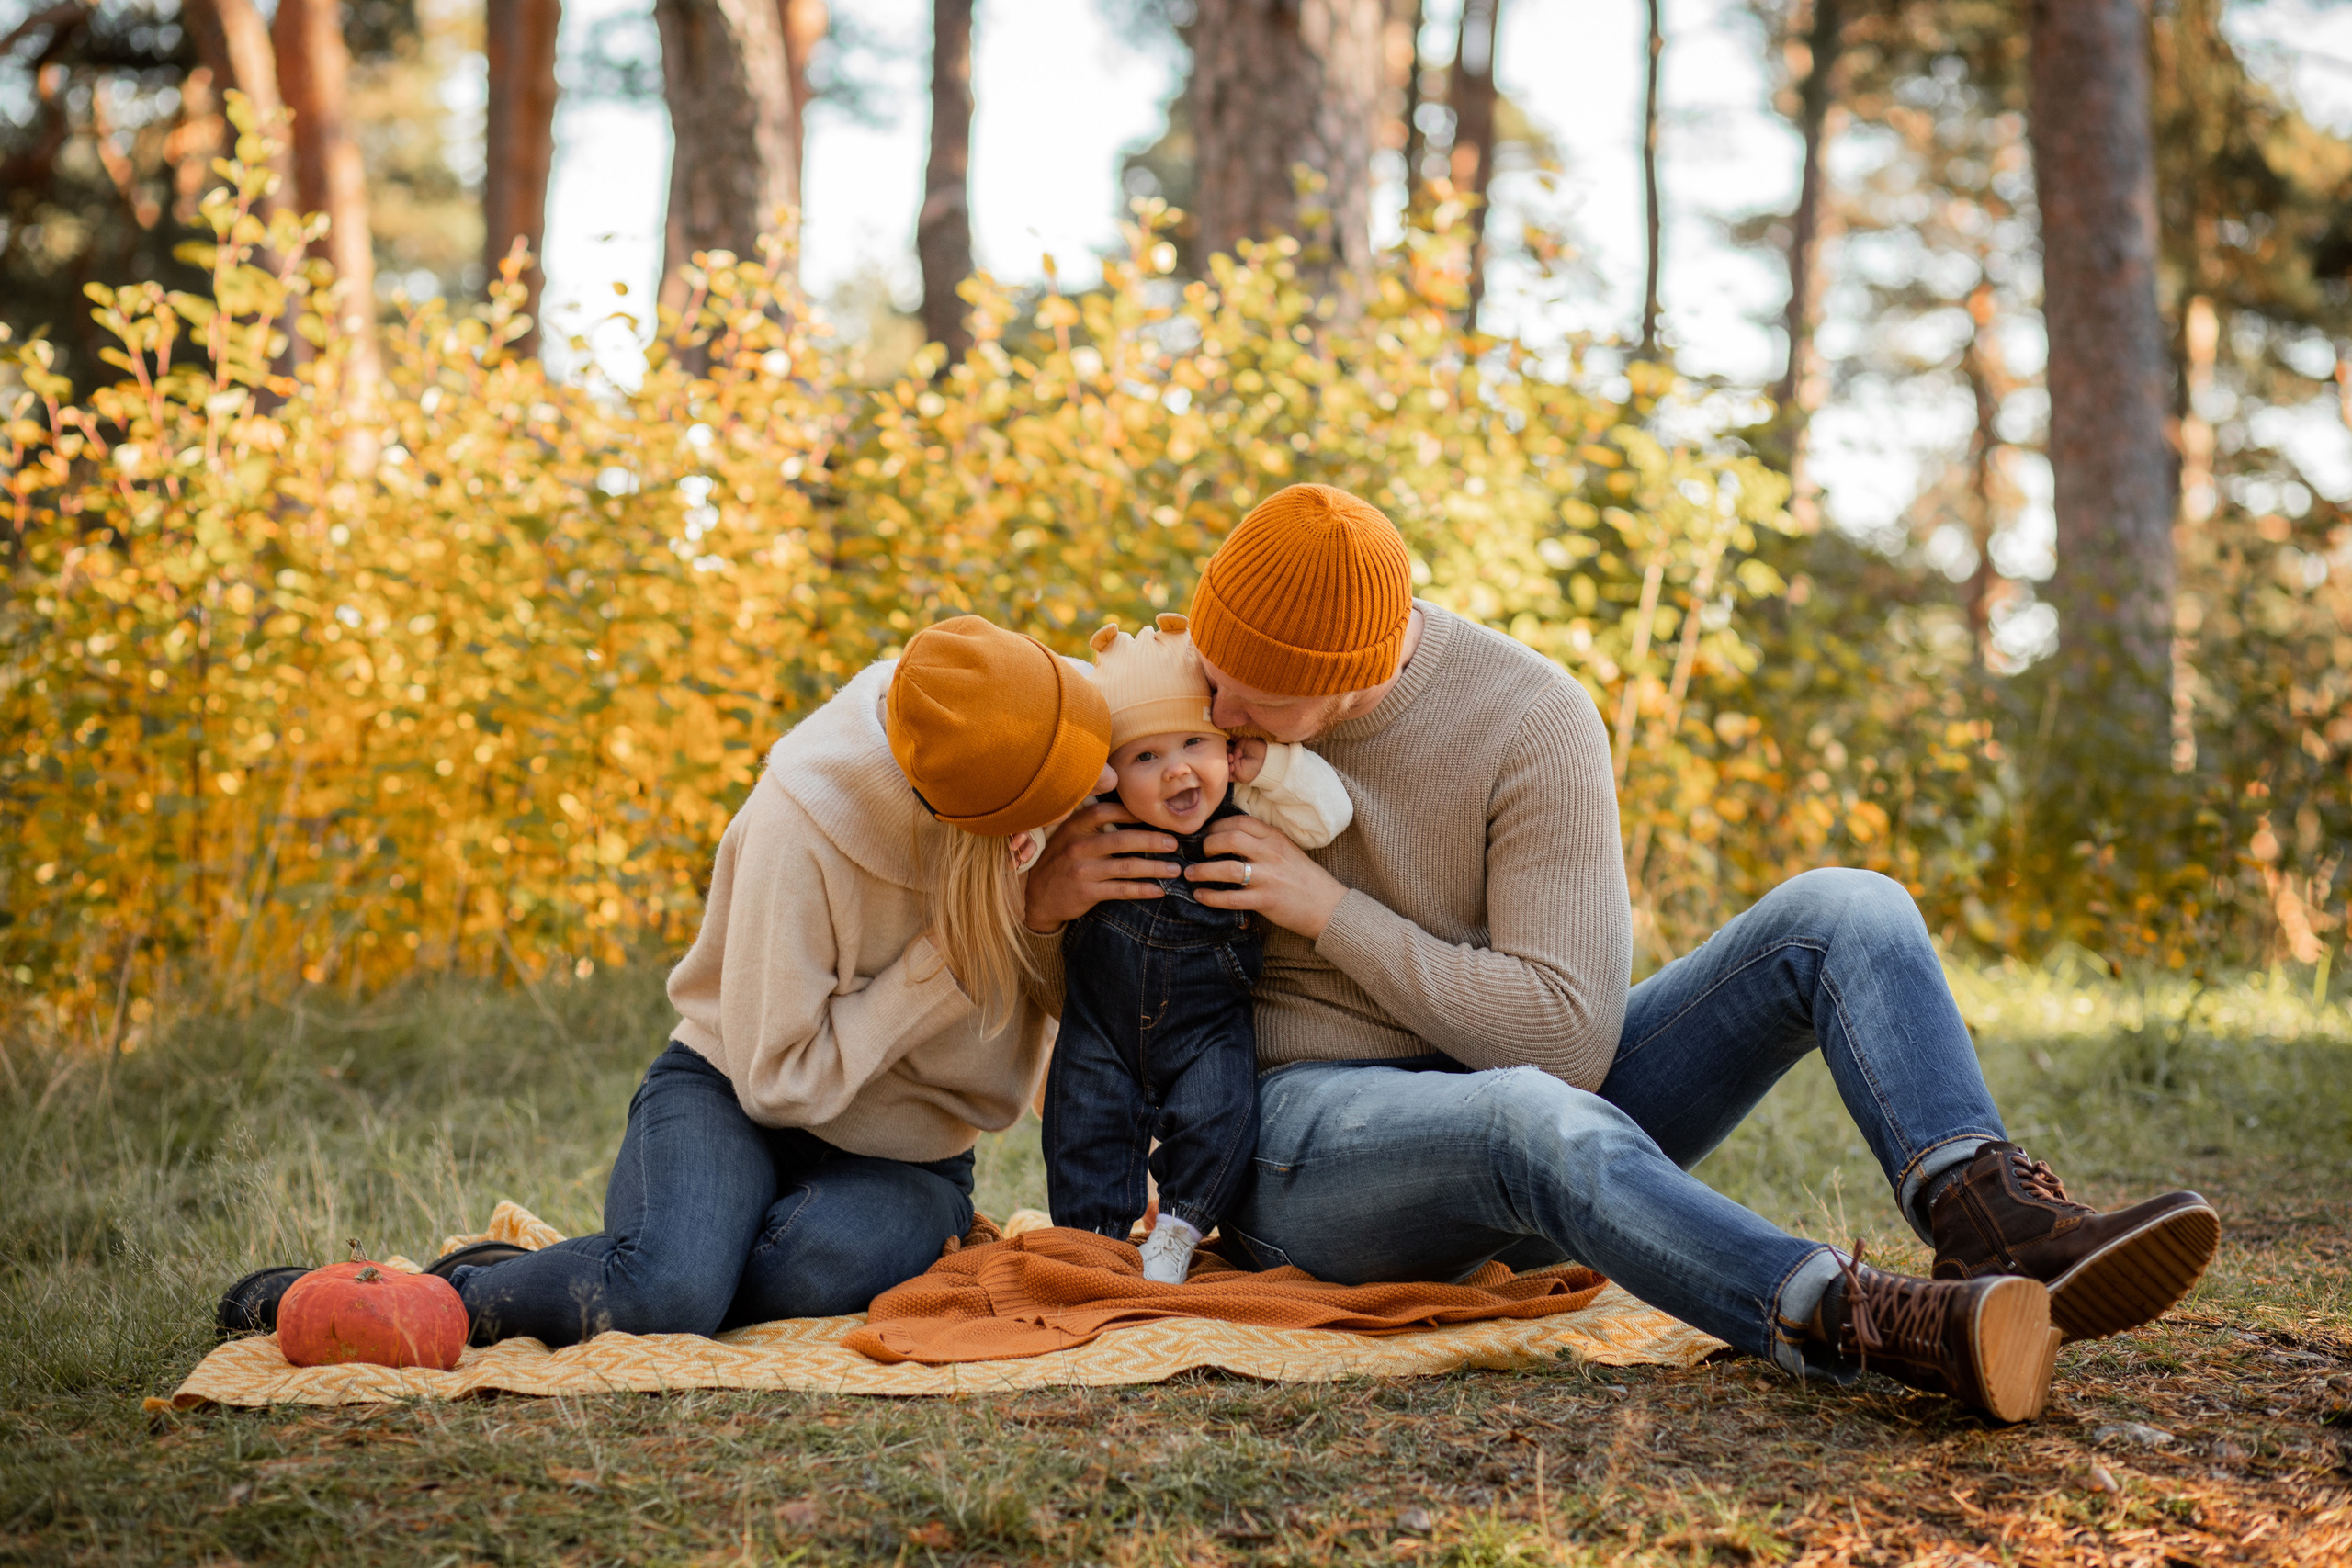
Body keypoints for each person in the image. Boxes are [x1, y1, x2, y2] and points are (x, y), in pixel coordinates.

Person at [1023, 482, 2220, 1423]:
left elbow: (1565, 1035)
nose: (1215, 709)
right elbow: (1101, 982)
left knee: (1847, 906)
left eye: (1250, 695)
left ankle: (1991, 1218)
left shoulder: (1528, 719)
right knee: (1526, 1116)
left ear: (1349, 678)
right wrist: (1040, 901)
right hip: (1304, 1148)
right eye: (1210, 668)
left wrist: (1330, 910)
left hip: (1537, 1102)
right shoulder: (1175, 727)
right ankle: (1857, 1317)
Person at [219, 616, 1114, 1348]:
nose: (1104, 787)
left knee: (803, 1268)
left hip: (907, 1155)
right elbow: (776, 1083)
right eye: (1066, 803)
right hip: (734, 1093)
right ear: (993, 832)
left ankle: (643, 1260)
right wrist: (956, 954)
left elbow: (1113, 1011)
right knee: (670, 1294)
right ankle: (434, 1293)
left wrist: (1052, 931)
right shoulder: (802, 822)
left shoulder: (1049, 724)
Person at [1043, 615, 1351, 1282]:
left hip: (1208, 1023)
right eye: (1145, 757)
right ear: (1109, 774)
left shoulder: (1246, 805)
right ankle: (1090, 1246)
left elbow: (1328, 817)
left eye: (1194, 742)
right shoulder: (1095, 827)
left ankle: (1176, 1234)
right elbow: (1039, 835)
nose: (1177, 768)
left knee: (1222, 1112)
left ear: (1226, 747)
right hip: (1102, 1023)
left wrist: (1272, 764)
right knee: (1084, 1122)